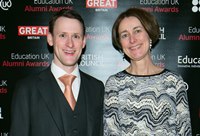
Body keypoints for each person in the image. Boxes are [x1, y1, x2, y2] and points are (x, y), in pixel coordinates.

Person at [10, 9, 104, 136]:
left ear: (83, 42)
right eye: (63, 35)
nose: (70, 44)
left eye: (76, 36)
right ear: (50, 39)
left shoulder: (96, 88)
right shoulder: (27, 89)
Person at [103, 7, 192, 135]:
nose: (132, 40)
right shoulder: (114, 84)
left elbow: (185, 131)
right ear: (120, 43)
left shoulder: (174, 81)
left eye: (137, 31)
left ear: (149, 33)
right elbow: (110, 132)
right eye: (124, 35)